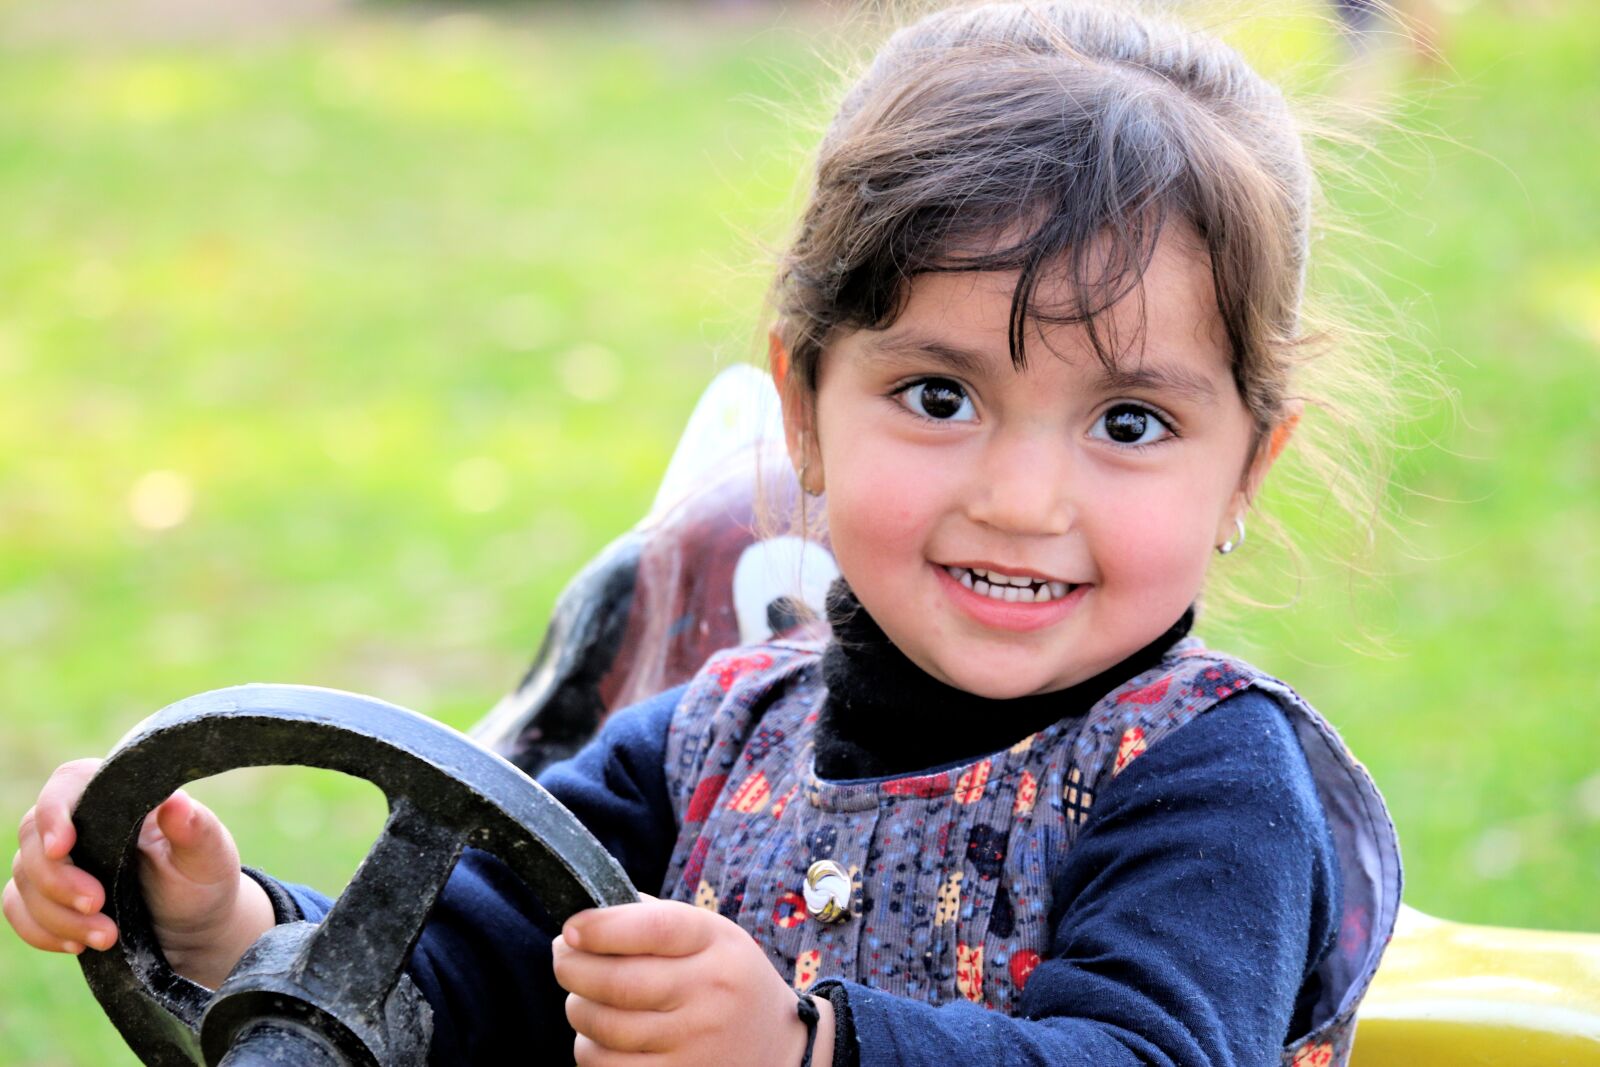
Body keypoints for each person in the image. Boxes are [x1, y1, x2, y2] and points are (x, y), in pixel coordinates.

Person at [5, 3, 1404, 1065]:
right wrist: (224, 925)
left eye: (1130, 423)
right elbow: (472, 956)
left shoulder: (1211, 785)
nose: (1026, 501)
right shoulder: (709, 737)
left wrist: (809, 1046)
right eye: (939, 394)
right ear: (803, 406)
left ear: (1244, 470)